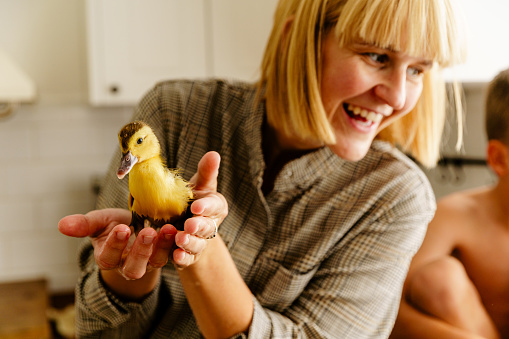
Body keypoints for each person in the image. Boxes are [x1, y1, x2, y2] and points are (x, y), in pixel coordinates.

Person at [58, 0, 466, 337]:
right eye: (377, 56)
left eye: (418, 70)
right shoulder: (175, 113)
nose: (397, 96)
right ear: (297, 42)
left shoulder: (394, 196)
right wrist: (128, 271)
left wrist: (199, 239)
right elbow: (97, 330)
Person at [390, 69, 509, 339]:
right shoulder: (455, 215)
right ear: (499, 159)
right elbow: (387, 310)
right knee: (439, 277)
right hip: (467, 330)